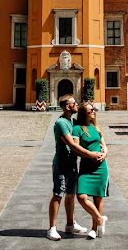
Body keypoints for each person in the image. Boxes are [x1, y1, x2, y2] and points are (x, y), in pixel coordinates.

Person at [47, 94, 105, 241]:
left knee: (71, 195)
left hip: (72, 163)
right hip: (61, 163)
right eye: (74, 103)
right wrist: (91, 154)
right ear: (68, 106)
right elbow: (72, 145)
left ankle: (70, 224)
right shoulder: (61, 123)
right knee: (58, 193)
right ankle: (52, 228)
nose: (76, 104)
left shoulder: (71, 121)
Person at [73, 101, 110, 238]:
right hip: (86, 167)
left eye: (93, 109)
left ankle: (94, 228)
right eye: (90, 110)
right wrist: (90, 155)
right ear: (84, 113)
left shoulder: (96, 127)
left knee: (98, 198)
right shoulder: (77, 129)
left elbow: (104, 145)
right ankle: (100, 219)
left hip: (101, 167)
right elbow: (76, 149)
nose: (93, 111)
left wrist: (104, 153)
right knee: (82, 196)